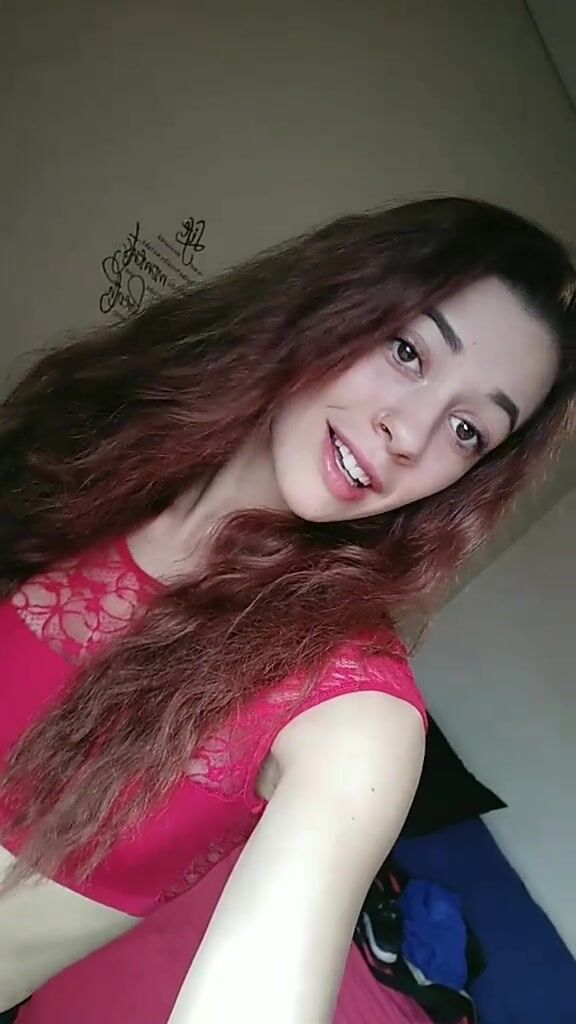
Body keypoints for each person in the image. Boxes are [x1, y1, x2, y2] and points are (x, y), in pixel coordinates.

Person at [0, 195, 573, 1024]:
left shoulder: (351, 710)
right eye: (407, 351)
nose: (409, 434)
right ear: (337, 302)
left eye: (467, 430)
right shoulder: (95, 430)